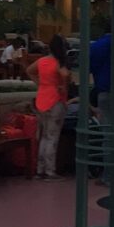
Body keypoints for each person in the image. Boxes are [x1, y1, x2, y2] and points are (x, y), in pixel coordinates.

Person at [30, 39, 68, 178]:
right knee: (53, 137)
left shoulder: (42, 61)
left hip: (42, 99)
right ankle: (50, 171)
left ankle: (40, 170)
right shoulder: (59, 62)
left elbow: (29, 70)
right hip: (55, 100)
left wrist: (40, 83)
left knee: (44, 136)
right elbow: (65, 75)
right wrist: (62, 86)